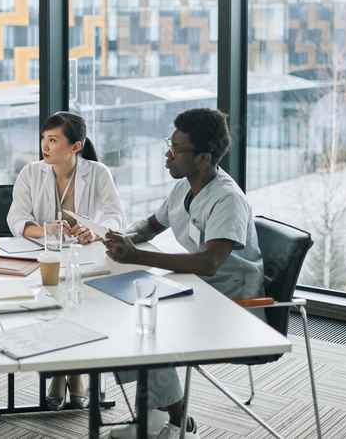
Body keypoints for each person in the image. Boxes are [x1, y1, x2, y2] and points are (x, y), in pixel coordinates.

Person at [103, 108, 264, 439]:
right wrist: (122, 238)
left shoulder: (227, 198)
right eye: (170, 144)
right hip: (197, 289)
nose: (168, 153)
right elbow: (150, 225)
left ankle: (179, 423)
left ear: (203, 157)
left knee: (146, 324)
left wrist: (138, 256)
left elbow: (209, 262)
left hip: (233, 303)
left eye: (177, 149)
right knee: (126, 309)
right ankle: (152, 416)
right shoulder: (185, 187)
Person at [6, 111, 126, 410]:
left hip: (87, 260)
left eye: (53, 140)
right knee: (52, 305)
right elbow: (16, 219)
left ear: (75, 146)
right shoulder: (31, 172)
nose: (45, 146)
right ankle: (66, 372)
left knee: (79, 306)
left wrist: (95, 232)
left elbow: (117, 218)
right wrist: (44, 230)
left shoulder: (97, 172)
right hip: (43, 257)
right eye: (44, 139)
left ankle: (65, 373)